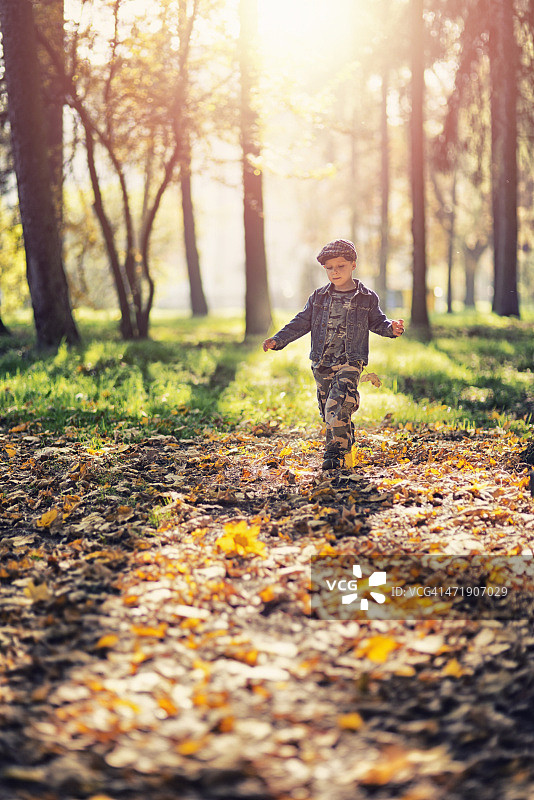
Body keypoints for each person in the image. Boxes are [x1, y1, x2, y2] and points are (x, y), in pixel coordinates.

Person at [263, 239, 404, 471]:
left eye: (341, 266)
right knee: (329, 412)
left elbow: (378, 322)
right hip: (322, 363)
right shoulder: (318, 297)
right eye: (330, 268)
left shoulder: (367, 298)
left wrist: (391, 329)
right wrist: (278, 339)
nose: (335, 271)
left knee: (337, 405)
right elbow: (301, 322)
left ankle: (334, 454)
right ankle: (345, 442)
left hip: (350, 361)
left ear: (353, 265)